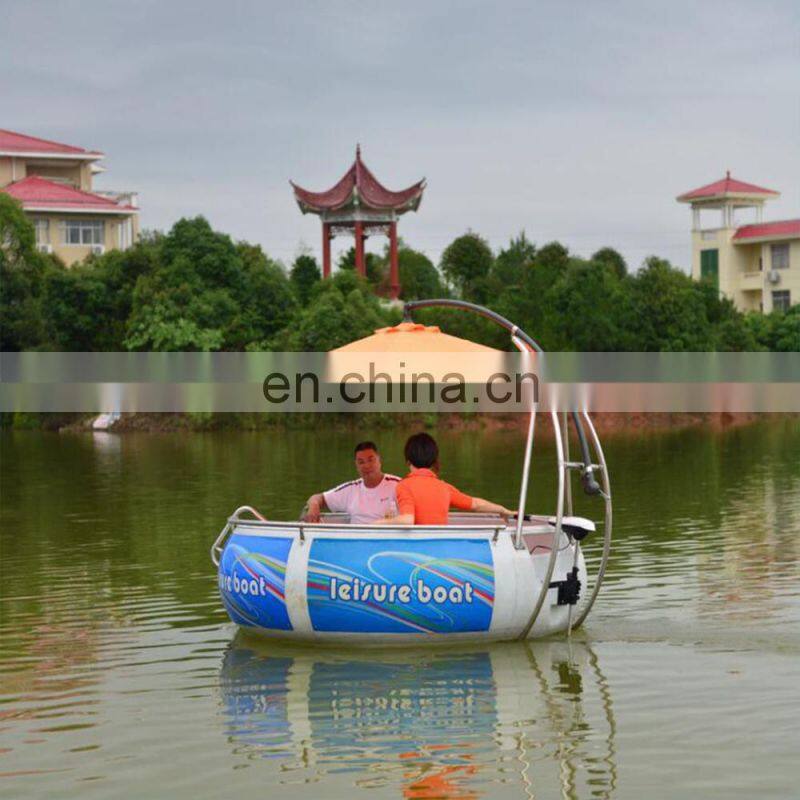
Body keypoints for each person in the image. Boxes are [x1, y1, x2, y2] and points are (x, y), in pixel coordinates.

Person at [380, 432, 515, 525]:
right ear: (434, 461)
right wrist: (503, 510)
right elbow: (477, 504)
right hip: (441, 549)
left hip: (417, 548)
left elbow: (407, 520)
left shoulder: (404, 486)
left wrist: (376, 523)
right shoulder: (444, 487)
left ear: (408, 462)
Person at [303, 441, 400, 524]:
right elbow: (317, 498)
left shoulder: (399, 485)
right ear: (356, 466)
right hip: (355, 541)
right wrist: (314, 505)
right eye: (361, 462)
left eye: (371, 460)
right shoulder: (351, 489)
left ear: (379, 460)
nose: (366, 466)